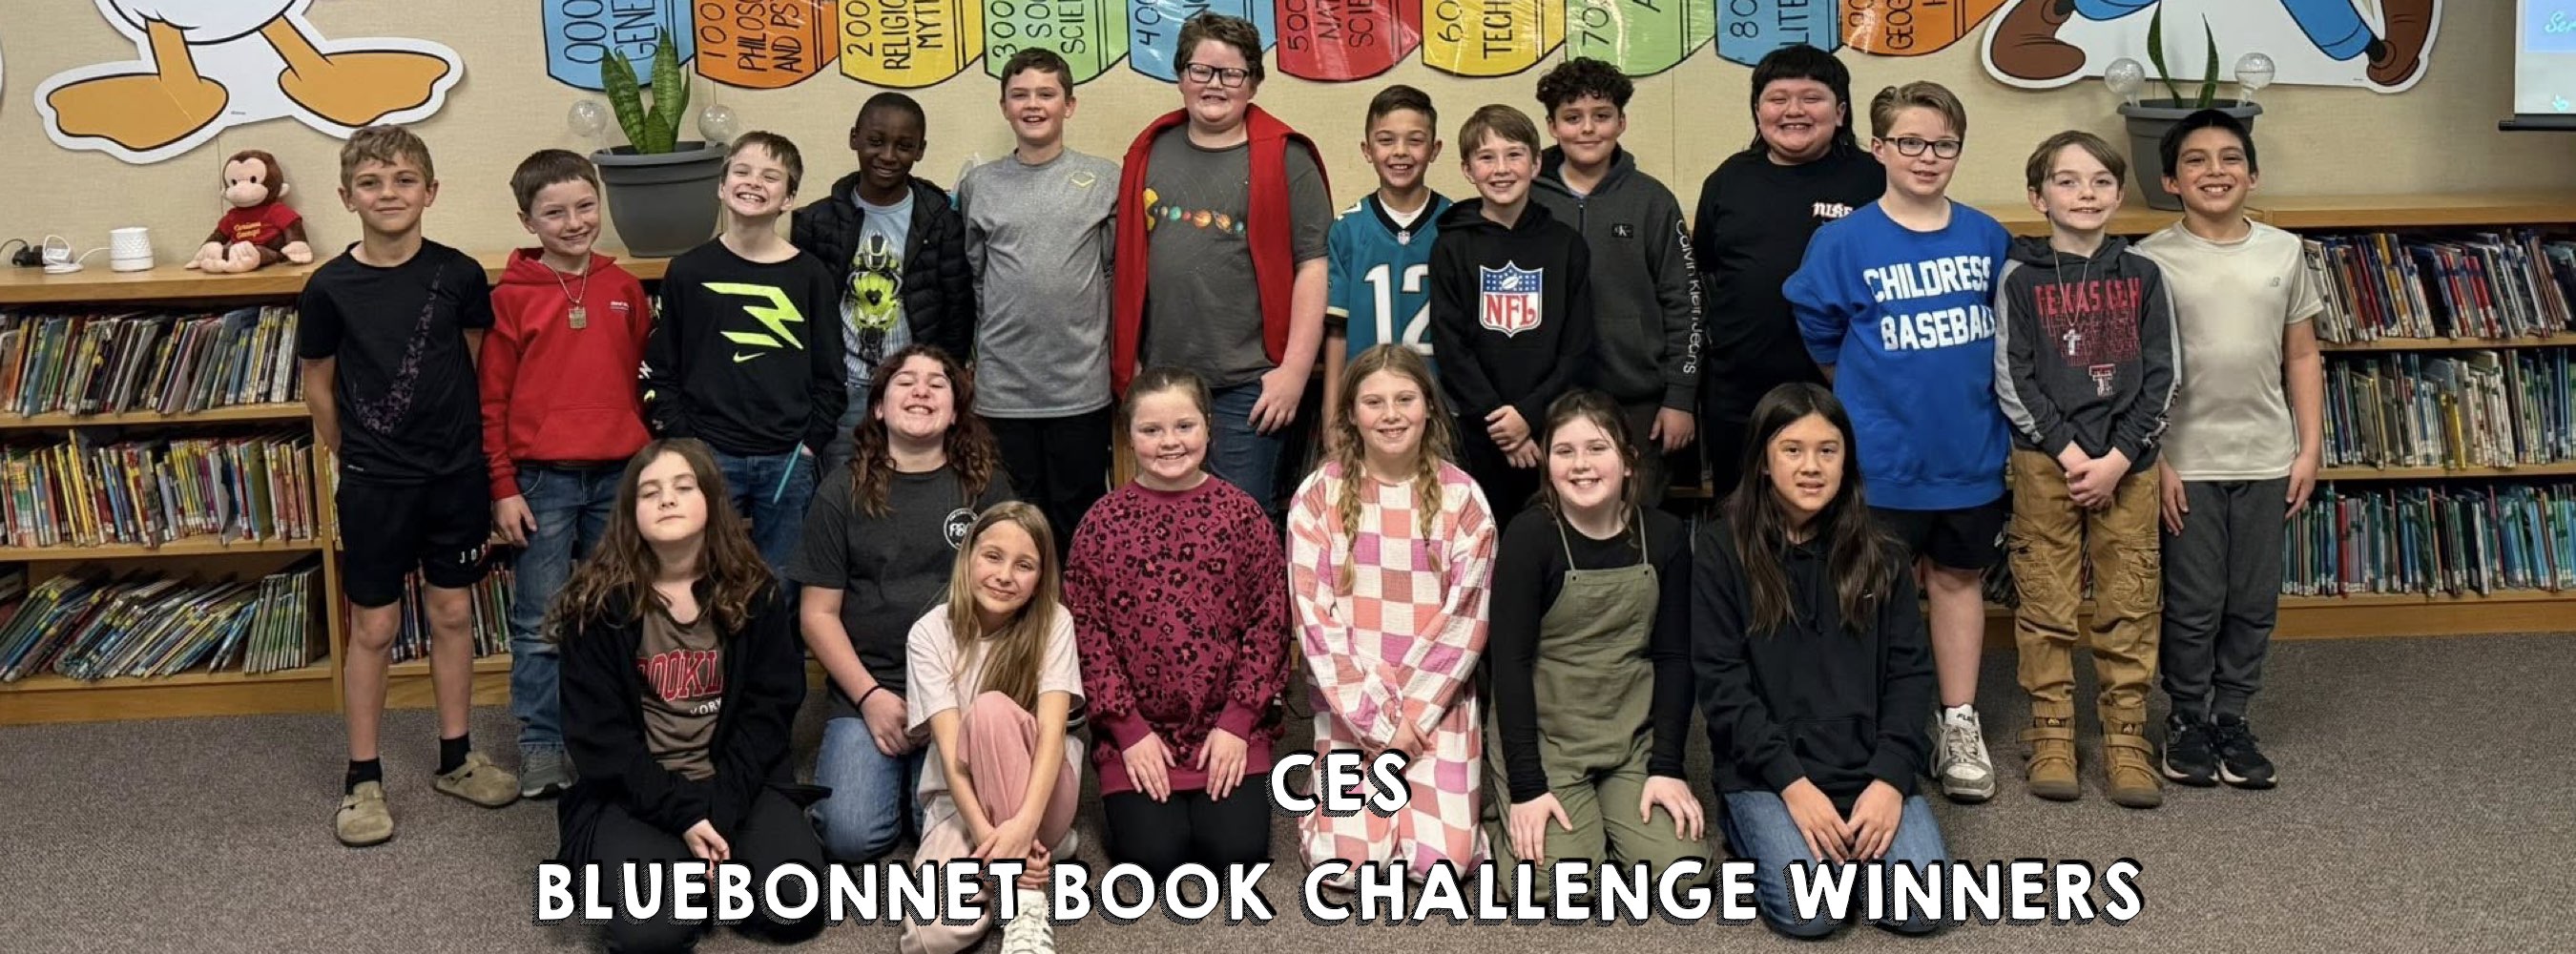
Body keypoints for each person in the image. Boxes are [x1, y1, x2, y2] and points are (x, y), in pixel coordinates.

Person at [1786, 81, 2011, 804]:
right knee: (1869, 591)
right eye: (1910, 142)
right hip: (1882, 460)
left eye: (1943, 144)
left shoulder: (1985, 235)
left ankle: (1958, 720)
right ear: (1879, 147)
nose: (1927, 156)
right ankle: (1877, 729)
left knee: (1956, 581)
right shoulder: (1844, 241)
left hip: (1969, 454)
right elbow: (1822, 336)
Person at [301, 123, 518, 846]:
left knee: (453, 616)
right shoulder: (329, 287)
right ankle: (362, 777)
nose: (387, 194)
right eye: (371, 182)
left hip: (453, 477)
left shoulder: (458, 276)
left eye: (402, 180)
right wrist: (356, 454)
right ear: (346, 196)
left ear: (431, 191)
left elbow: (475, 366)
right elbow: (319, 387)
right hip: (373, 485)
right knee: (375, 626)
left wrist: (459, 455)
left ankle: (456, 757)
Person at [550, 440, 828, 953]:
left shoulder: (757, 591)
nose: (667, 499)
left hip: (734, 778)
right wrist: (682, 815)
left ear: (712, 501)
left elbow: (768, 714)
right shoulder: (595, 603)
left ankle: (704, 870)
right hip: (638, 788)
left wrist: (719, 811)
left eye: (683, 487)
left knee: (797, 905)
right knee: (649, 934)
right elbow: (600, 741)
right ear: (631, 513)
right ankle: (691, 874)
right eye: (650, 492)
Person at [1694, 383, 1946, 940]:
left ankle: (1844, 854)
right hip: (1771, 773)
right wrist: (1792, 787)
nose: (1812, 467)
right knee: (1812, 914)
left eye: (1827, 451)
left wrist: (1889, 780)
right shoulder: (1719, 550)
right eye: (1792, 450)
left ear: (1846, 460)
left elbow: (1911, 675)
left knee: (1921, 908)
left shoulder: (1883, 553)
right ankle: (1750, 831)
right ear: (1763, 460)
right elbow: (1722, 684)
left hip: (1865, 767)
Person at [2136, 109, 2324, 791]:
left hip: (2268, 457)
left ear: (2253, 174)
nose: (2214, 171)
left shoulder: (2284, 252)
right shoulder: (2151, 260)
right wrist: (2156, 461)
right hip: (2187, 461)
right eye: (2195, 160)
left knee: (2251, 600)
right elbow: (2139, 373)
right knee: (2193, 601)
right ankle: (2186, 716)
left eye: (2228, 158)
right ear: (2170, 180)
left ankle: (2232, 715)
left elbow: (2301, 354)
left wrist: (2308, 450)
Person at [1994, 130, 2179, 808]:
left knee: (2130, 600)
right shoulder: (2019, 277)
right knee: (2046, 601)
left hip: (2128, 464)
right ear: (2038, 195)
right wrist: (2071, 454)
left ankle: (2126, 736)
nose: (2085, 194)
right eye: (2068, 182)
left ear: (2119, 194)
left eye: (2101, 181)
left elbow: (2163, 375)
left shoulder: (2143, 274)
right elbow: (2012, 377)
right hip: (2048, 463)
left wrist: (2119, 457)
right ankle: (2051, 730)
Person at [790, 345, 1015, 861]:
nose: (920, 391)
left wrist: (953, 702)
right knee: (852, 838)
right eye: (905, 381)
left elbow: (1017, 600)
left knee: (936, 822)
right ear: (877, 407)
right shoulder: (839, 492)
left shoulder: (986, 488)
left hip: (964, 688)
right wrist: (870, 698)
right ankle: (890, 770)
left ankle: (913, 781)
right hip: (871, 689)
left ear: (955, 411)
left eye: (937, 384)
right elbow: (816, 615)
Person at [1064, 367, 1289, 875]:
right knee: (1153, 858)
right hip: (1139, 730)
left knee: (1235, 854)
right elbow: (1086, 633)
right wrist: (1128, 730)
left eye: (1184, 426)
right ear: (1129, 436)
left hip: (1228, 726)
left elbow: (1269, 621)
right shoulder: (1101, 523)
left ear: (1209, 427)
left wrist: (1237, 721)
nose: (1170, 442)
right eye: (1152, 430)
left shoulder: (1243, 515)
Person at [481, 147, 655, 799]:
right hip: (542, 482)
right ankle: (543, 745)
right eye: (555, 212)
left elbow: (640, 379)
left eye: (586, 206)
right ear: (529, 221)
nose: (575, 222)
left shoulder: (624, 289)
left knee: (622, 612)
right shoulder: (511, 298)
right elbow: (492, 400)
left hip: (620, 476)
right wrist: (502, 486)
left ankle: (619, 734)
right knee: (542, 620)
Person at [1288, 344, 1497, 886]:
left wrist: (1412, 719)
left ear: (1428, 407)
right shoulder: (1318, 495)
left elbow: (1466, 624)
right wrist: (1378, 721)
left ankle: (1456, 815)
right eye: (1374, 402)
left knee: (1441, 867)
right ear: (1352, 413)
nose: (1391, 414)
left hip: (1436, 703)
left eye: (1405, 399)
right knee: (1349, 869)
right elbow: (1316, 624)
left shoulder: (1464, 499)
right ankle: (1327, 805)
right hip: (1353, 701)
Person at [1111, 11, 1334, 517]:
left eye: (1231, 73)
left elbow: (1313, 266)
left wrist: (1294, 371)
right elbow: (1126, 266)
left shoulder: (1286, 158)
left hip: (1248, 385)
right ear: (1180, 75)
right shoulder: (1150, 151)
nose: (1215, 84)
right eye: (1201, 70)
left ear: (1253, 82)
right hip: (1165, 383)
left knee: (1242, 519)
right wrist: (1134, 366)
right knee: (1164, 521)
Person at [1484, 389, 1706, 892]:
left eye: (1597, 449)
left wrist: (1667, 766)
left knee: (1682, 876)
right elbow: (1510, 664)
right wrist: (1526, 787)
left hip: (1629, 737)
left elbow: (1675, 658)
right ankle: (1496, 810)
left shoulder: (1666, 536)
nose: (1581, 465)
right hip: (1547, 742)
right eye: (1564, 452)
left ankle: (1608, 812)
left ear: (1628, 462)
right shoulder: (1530, 536)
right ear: (1549, 465)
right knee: (1559, 885)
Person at [642, 132, 846, 573]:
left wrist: (810, 444)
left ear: (788, 198)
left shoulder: (811, 276)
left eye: (771, 177)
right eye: (742, 171)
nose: (754, 182)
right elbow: (661, 368)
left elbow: (831, 374)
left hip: (789, 457)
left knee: (784, 583)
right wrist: (687, 443)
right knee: (706, 576)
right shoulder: (688, 271)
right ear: (721, 185)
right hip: (710, 455)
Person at [1693, 44, 1885, 495]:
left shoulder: (1876, 179)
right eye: (1777, 99)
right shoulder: (1728, 180)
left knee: (1839, 526)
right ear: (1758, 111)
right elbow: (1709, 270)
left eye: (1811, 98)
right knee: (1740, 521)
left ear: (1840, 112)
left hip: (1844, 394)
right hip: (1741, 395)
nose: (1793, 111)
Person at [899, 502, 1085, 954]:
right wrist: (990, 840)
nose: (1005, 575)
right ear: (968, 559)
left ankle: (1027, 902)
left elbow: (1053, 738)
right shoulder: (928, 634)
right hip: (961, 802)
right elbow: (949, 757)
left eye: (1024, 566)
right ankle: (1035, 859)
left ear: (1040, 578)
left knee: (989, 710)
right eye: (992, 556)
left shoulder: (1055, 622)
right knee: (929, 938)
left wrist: (1023, 826)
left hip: (1043, 796)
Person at [957, 50, 1119, 553]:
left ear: (1069, 105)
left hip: (1080, 385)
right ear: (1004, 106)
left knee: (1080, 520)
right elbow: (977, 276)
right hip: (1004, 390)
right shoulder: (979, 186)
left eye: (1046, 94)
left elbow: (1112, 270)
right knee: (1009, 525)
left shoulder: (1104, 178)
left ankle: (1079, 627)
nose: (1033, 105)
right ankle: (1017, 630)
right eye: (1020, 95)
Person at [1530, 57, 1701, 508]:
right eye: (1572, 118)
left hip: (1639, 403)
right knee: (1557, 523)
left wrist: (1680, 398)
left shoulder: (1652, 201)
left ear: (1621, 122)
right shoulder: (1527, 197)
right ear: (1551, 126)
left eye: (1601, 116)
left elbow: (1685, 301)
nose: (1588, 129)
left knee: (1636, 521)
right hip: (1548, 396)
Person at [791, 92, 976, 476]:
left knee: (915, 489)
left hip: (915, 390)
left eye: (904, 146)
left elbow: (958, 310)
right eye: (876, 141)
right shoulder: (816, 222)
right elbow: (804, 316)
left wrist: (942, 383)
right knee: (847, 492)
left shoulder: (940, 222)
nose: (888, 156)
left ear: (921, 150)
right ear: (854, 138)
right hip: (845, 391)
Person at [1427, 104, 1595, 519]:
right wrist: (1504, 428)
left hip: (1551, 426)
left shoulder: (1565, 244)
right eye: (1486, 157)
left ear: (1537, 163)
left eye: (1514, 154)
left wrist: (1528, 416)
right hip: (1481, 433)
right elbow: (1452, 347)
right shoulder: (1452, 244)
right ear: (1468, 170)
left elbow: (1578, 349)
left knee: (1551, 537)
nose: (1501, 169)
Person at [1323, 84, 1449, 431]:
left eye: (1415, 140)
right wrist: (1332, 419)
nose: (1400, 152)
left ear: (1434, 149)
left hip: (1438, 403)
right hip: (1366, 405)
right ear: (1367, 149)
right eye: (1386, 140)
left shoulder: (1456, 227)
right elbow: (1337, 334)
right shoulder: (1347, 230)